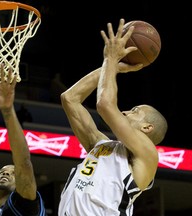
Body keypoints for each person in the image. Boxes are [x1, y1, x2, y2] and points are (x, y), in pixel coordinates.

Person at [58, 18, 168, 215]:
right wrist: (114, 67)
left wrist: (111, 59)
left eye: (135, 111)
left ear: (146, 128)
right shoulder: (100, 145)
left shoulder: (147, 154)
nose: (126, 111)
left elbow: (105, 105)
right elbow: (70, 99)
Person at [0, 66, 47, 216]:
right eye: (2, 172)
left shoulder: (24, 207)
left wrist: (7, 110)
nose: (5, 174)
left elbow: (23, 163)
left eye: (12, 173)